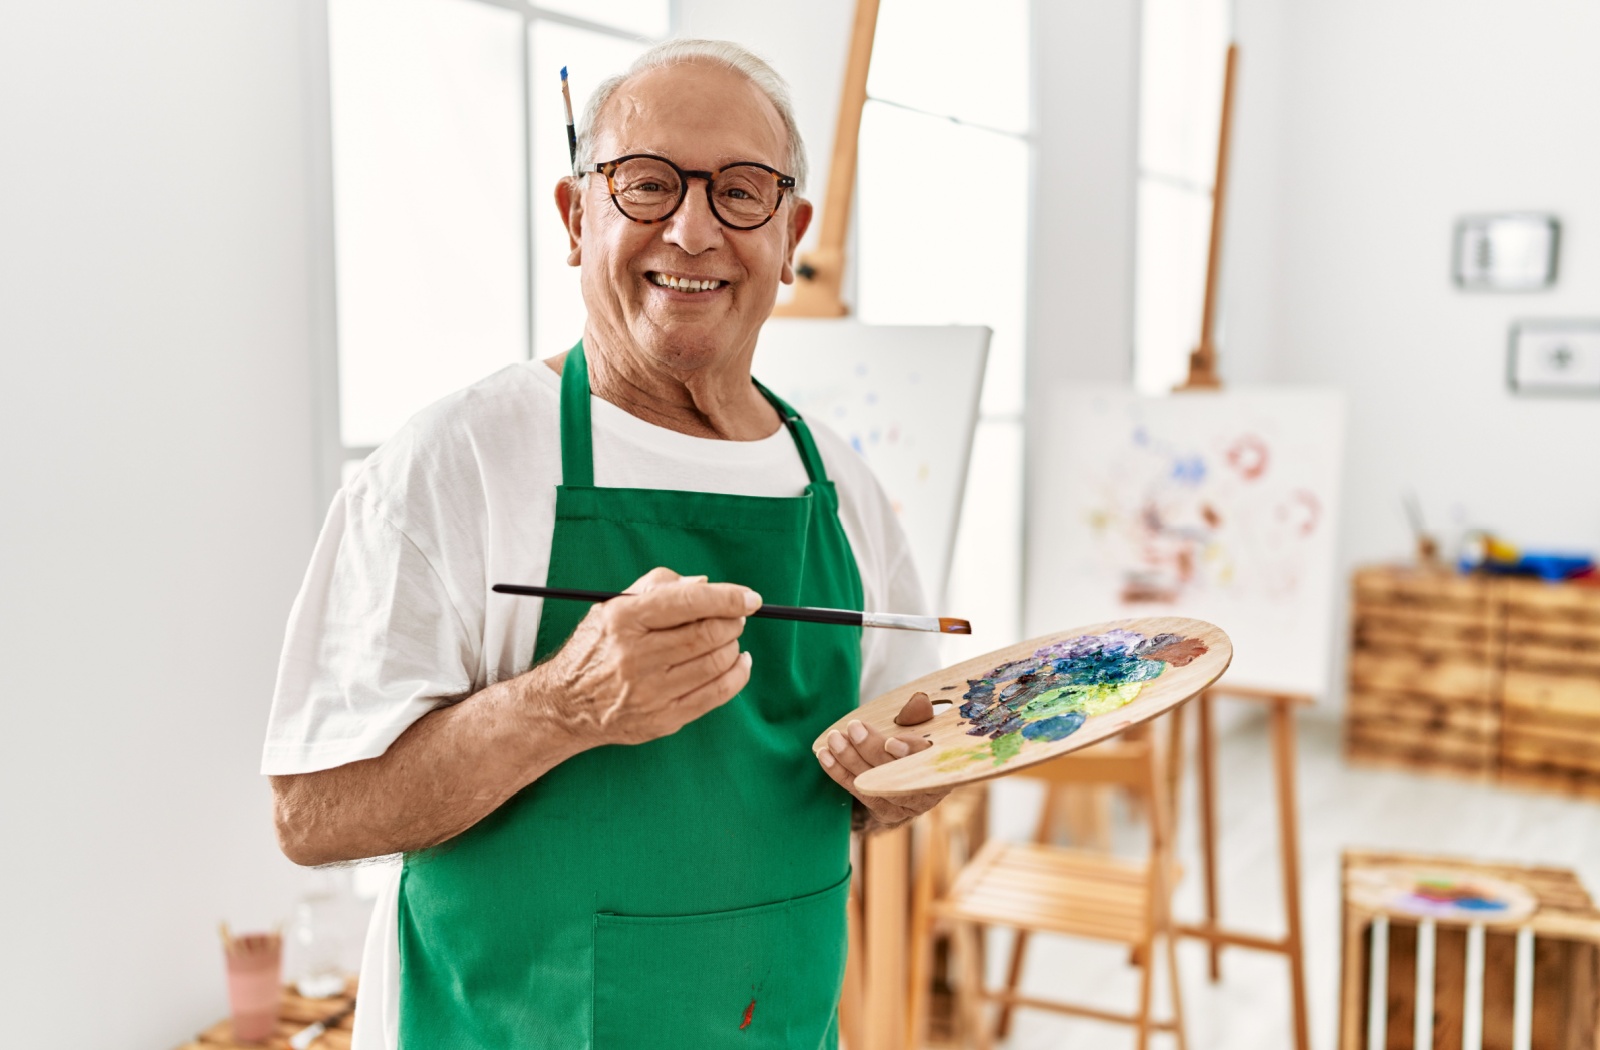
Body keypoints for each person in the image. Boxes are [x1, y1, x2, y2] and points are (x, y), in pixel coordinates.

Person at [263, 38, 950, 1049]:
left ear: (791, 231)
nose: (692, 228)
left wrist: (902, 781)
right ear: (576, 216)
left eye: (741, 193)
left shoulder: (840, 485)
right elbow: (312, 814)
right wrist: (560, 706)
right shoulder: (456, 463)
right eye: (645, 185)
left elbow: (887, 769)